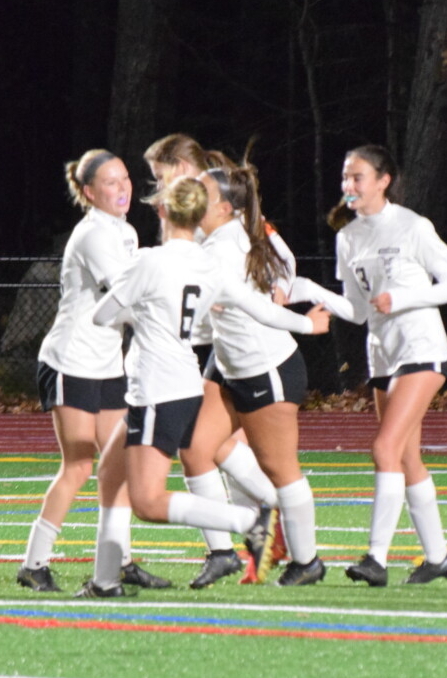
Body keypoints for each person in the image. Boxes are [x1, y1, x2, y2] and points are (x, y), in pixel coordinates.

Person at [79, 175, 329, 597]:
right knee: (110, 472)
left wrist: (144, 310)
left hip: (156, 386)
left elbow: (102, 316)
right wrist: (307, 324)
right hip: (183, 381)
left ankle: (248, 522)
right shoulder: (208, 264)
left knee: (147, 502)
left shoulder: (150, 261)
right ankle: (105, 582)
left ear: (163, 210)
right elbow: (262, 309)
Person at [291, 144, 447, 586]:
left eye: (357, 177)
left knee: (384, 449)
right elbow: (358, 311)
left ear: (383, 181)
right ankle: (438, 557)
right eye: (345, 177)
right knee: (405, 456)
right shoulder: (348, 237)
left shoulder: (412, 226)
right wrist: (308, 289)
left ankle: (376, 559)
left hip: (421, 347)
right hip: (383, 354)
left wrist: (402, 298)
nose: (348, 185)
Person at [143, 133, 292, 588]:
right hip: (211, 347)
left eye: (161, 176)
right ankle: (248, 538)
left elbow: (280, 257)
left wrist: (277, 290)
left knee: (226, 449)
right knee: (204, 448)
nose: (158, 187)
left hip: (239, 350)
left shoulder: (225, 207)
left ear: (182, 167)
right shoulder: (189, 212)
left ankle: (269, 527)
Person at [18, 149, 169, 593]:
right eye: (110, 182)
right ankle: (34, 564)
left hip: (106, 364)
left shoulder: (124, 230)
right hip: (72, 361)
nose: (122, 188)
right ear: (88, 192)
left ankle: (119, 560)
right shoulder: (92, 235)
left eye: (125, 179)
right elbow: (124, 296)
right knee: (80, 465)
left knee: (116, 465)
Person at [182, 160, 326, 586]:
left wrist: (307, 323)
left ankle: (308, 561)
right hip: (231, 365)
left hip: (267, 368)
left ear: (225, 208)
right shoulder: (217, 238)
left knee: (280, 469)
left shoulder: (223, 249)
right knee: (195, 449)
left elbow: (261, 306)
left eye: (203, 193)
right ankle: (223, 551)